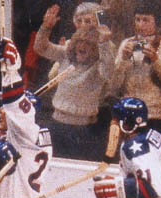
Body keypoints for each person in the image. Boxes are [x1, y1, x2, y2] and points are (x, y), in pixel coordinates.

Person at [0, 39, 55, 198]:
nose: (1, 111)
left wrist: (11, 70)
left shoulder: (24, 130)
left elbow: (15, 105)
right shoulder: (32, 133)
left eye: (4, 109)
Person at [34, 4, 116, 161]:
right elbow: (41, 48)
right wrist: (45, 28)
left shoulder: (105, 51)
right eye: (80, 21)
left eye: (89, 21)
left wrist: (104, 43)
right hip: (58, 123)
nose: (84, 26)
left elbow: (108, 73)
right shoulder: (68, 50)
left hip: (86, 128)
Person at [108, 1, 161, 141]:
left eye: (145, 20)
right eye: (137, 20)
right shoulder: (125, 44)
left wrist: (156, 60)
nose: (140, 24)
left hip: (157, 114)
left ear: (156, 23)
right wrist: (123, 59)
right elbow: (114, 86)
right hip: (129, 110)